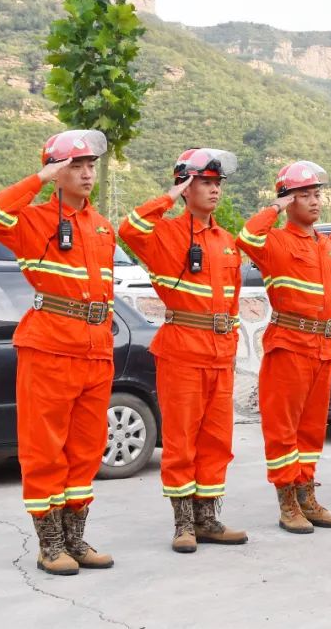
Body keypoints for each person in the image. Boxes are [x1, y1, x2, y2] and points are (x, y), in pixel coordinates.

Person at [0, 130, 115, 576]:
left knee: (87, 449)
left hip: (96, 349)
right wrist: (39, 178)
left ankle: (75, 538)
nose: (87, 173)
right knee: (45, 449)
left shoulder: (100, 226)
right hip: (50, 346)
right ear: (57, 171)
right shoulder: (33, 220)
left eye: (91, 165)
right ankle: (49, 543)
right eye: (76, 165)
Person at [118, 148, 247, 553]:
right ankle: (183, 523)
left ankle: (207, 517)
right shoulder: (166, 235)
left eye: (216, 184)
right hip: (183, 351)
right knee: (181, 441)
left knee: (216, 441)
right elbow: (129, 227)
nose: (213, 190)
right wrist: (171, 196)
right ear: (186, 185)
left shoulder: (227, 241)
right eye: (204, 183)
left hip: (220, 353)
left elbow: (232, 299)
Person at [237, 161, 331, 534]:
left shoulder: (326, 245)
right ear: (287, 199)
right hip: (291, 343)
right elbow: (246, 237)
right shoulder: (275, 242)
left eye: (316, 194)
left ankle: (306, 493)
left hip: (324, 346)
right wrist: (276, 206)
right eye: (304, 195)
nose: (314, 201)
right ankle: (287, 500)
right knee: (284, 428)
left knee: (312, 429)